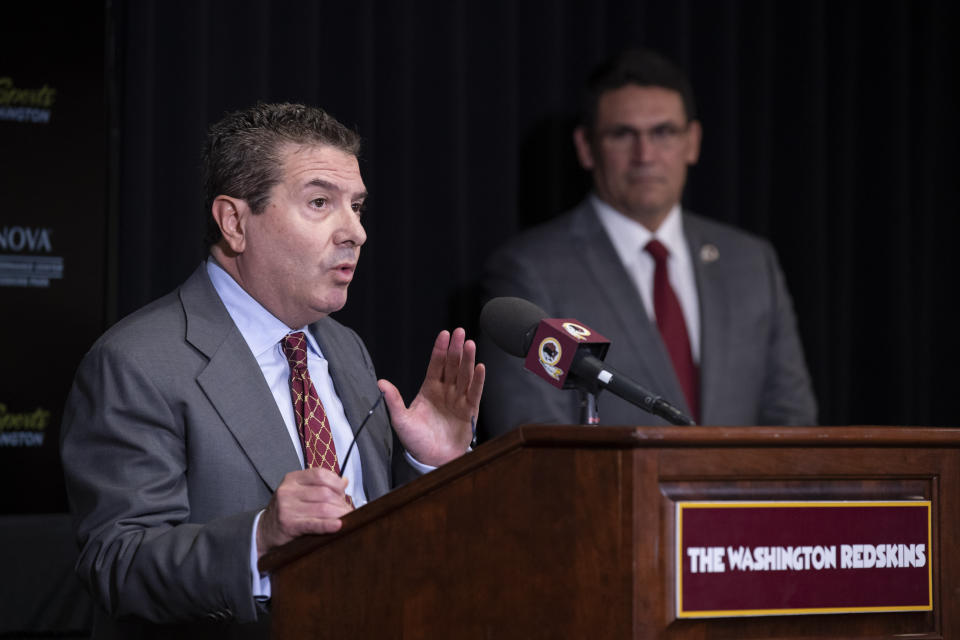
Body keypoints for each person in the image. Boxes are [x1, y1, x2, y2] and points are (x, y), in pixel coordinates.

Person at [60, 103, 485, 638]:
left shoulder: (345, 350)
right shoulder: (137, 361)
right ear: (235, 222)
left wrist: (429, 468)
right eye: (319, 202)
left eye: (357, 207)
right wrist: (259, 540)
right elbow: (116, 564)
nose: (355, 231)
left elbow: (374, 538)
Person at [480, 49, 815, 436]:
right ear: (587, 148)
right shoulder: (530, 270)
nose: (645, 155)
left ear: (693, 142)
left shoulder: (752, 262)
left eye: (664, 133)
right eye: (623, 134)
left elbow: (793, 424)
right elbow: (533, 438)